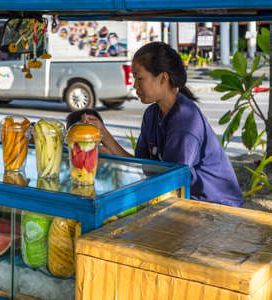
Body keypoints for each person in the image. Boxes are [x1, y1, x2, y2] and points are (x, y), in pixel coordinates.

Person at [82, 41, 243, 207]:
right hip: (184, 199)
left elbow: (171, 184)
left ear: (163, 78)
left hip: (215, 205)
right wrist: (103, 135)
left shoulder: (184, 121)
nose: (135, 85)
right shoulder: (152, 114)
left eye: (139, 78)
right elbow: (143, 166)